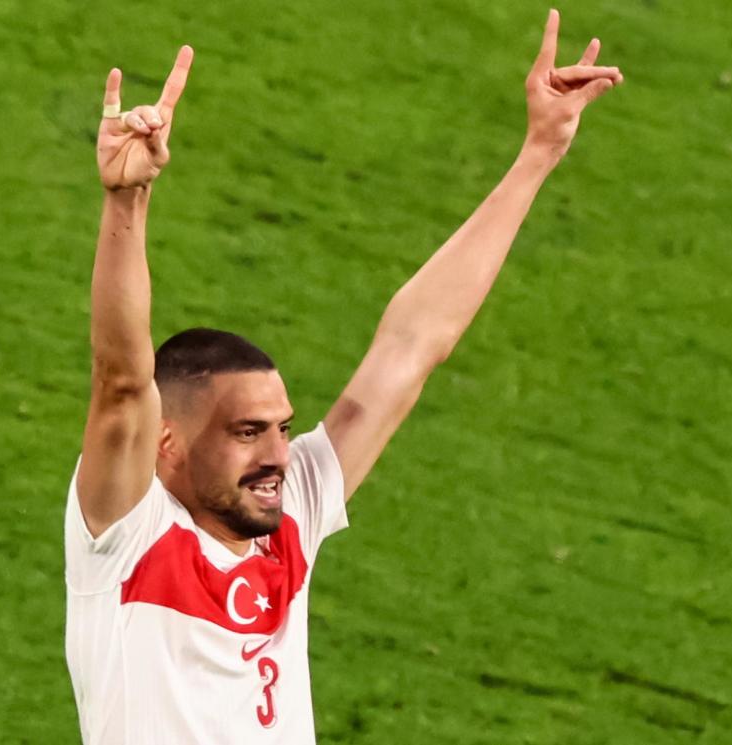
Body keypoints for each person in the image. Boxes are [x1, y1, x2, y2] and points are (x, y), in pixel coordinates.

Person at [64, 10, 622, 744]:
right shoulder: (127, 535)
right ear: (165, 443)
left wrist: (539, 152)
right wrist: (126, 201)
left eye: (282, 428)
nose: (278, 455)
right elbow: (122, 379)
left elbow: (413, 345)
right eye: (246, 432)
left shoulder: (293, 509)